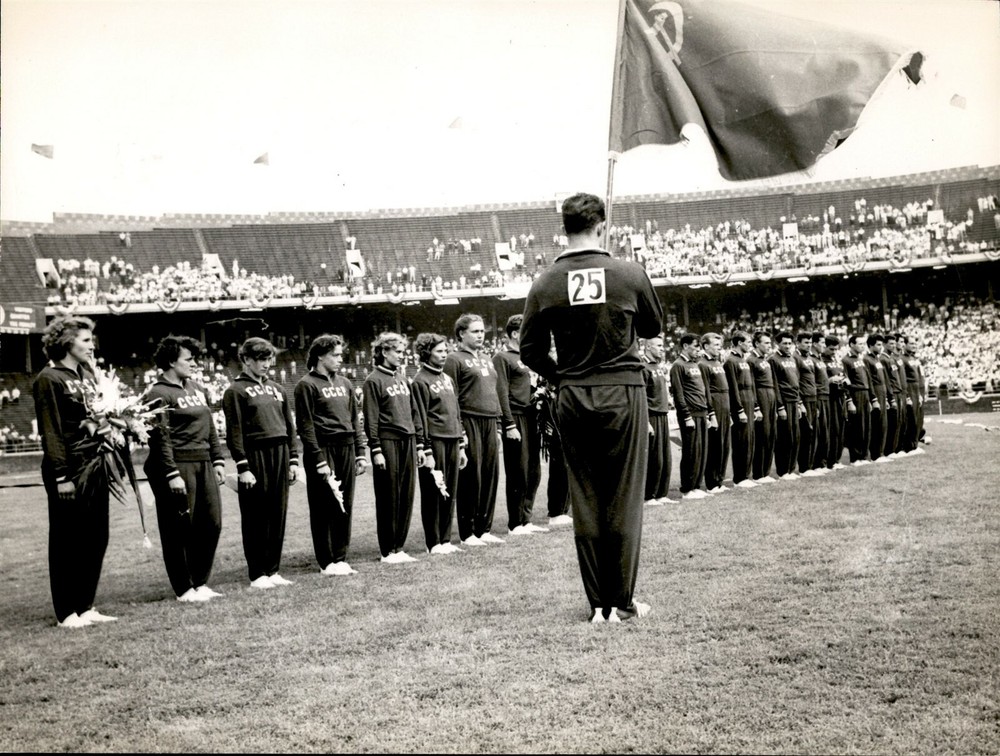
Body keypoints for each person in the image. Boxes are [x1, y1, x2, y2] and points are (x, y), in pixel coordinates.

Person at [520, 191, 662, 623]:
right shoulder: (628, 272)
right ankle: (622, 601)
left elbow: (529, 350)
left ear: (564, 227)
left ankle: (599, 605)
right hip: (622, 389)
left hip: (573, 394)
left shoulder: (544, 282)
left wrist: (562, 375)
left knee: (585, 497)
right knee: (623, 496)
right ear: (602, 224)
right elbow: (654, 326)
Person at [33, 315, 118, 628]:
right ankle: (66, 612)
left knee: (97, 535)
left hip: (95, 463)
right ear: (67, 342)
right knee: (69, 538)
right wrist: (60, 475)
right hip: (68, 468)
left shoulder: (87, 374)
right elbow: (51, 430)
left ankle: (86, 605)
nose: (90, 345)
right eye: (85, 340)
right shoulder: (49, 378)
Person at [144, 335, 226, 603]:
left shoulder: (196, 388)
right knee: (179, 527)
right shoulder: (158, 393)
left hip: (202, 461)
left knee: (211, 523)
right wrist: (171, 473)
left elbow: (210, 427)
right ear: (170, 361)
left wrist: (218, 459)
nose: (194, 363)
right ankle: (183, 587)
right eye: (188, 359)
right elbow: (160, 438)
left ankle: (200, 581)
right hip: (177, 463)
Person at [222, 337, 300, 589]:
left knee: (278, 512)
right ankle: (257, 573)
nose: (266, 364)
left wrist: (293, 459)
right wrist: (243, 466)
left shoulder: (277, 388)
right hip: (255, 455)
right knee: (257, 514)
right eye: (260, 359)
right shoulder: (235, 391)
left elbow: (289, 427)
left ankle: (273, 569)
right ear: (246, 360)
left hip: (280, 452)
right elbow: (234, 433)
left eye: (269, 359)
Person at [295, 334, 368, 577]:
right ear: (320, 356)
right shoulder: (306, 385)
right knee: (323, 504)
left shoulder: (346, 383)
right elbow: (305, 426)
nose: (340, 359)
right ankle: (326, 561)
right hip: (323, 448)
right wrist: (318, 459)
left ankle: (340, 557)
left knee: (344, 502)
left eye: (341, 354)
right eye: (335, 355)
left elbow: (354, 420)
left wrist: (360, 452)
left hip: (346, 446)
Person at [443, 314, 505, 546]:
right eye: (475, 331)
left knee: (490, 475)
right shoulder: (453, 360)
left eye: (482, 331)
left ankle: (484, 529)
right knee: (472, 477)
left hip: (490, 421)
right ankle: (468, 533)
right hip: (469, 421)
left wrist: (498, 426)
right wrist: (460, 431)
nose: (481, 335)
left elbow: (495, 393)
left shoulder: (487, 359)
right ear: (461, 333)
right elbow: (451, 398)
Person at [363, 332, 420, 563]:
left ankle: (399, 547)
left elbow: (413, 412)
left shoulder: (403, 379)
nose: (401, 355)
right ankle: (388, 550)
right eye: (397, 351)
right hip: (387, 441)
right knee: (389, 495)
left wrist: (418, 445)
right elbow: (371, 418)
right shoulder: (373, 380)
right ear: (384, 352)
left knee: (406, 494)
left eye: (402, 351)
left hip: (408, 439)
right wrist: (376, 449)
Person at [411, 332, 468, 555]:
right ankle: (433, 542)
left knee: (450, 491)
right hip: (434, 442)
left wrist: (462, 444)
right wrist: (425, 448)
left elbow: (456, 412)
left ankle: (446, 540)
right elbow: (421, 417)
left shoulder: (448, 379)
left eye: (445, 351)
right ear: (427, 353)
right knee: (434, 491)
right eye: (439, 351)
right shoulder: (420, 380)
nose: (444, 355)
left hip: (453, 440)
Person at [493, 314, 546, 535]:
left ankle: (527, 518)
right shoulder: (502, 357)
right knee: (519, 470)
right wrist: (509, 423)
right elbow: (501, 392)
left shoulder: (529, 356)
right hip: (516, 416)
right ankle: (515, 522)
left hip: (532, 415)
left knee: (534, 470)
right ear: (515, 333)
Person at [671, 333, 714, 500]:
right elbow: (678, 394)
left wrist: (709, 414)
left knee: (701, 451)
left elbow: (702, 390)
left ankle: (696, 485)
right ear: (685, 346)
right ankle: (687, 488)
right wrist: (686, 416)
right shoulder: (678, 365)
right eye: (695, 346)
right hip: (690, 414)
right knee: (691, 452)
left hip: (702, 412)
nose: (698, 350)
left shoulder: (695, 364)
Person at [641, 334, 676, 505]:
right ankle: (649, 496)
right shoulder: (643, 368)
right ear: (648, 347)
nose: (662, 349)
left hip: (663, 415)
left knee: (665, 457)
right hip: (652, 416)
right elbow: (641, 397)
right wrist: (646, 421)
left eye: (663, 346)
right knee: (654, 458)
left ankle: (662, 493)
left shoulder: (660, 367)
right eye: (659, 346)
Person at [724, 331, 760, 489]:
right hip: (741, 404)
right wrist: (739, 409)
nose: (750, 345)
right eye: (748, 342)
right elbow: (733, 387)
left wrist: (756, 406)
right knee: (741, 441)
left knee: (750, 439)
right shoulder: (730, 361)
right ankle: (739, 477)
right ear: (739, 343)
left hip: (750, 402)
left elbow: (751, 385)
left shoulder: (743, 360)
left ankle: (746, 474)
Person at [699, 332, 730, 494]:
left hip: (725, 404)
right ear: (706, 346)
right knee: (715, 445)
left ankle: (720, 479)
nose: (720, 348)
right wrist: (711, 414)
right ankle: (711, 482)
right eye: (716, 345)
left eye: (720, 345)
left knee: (725, 444)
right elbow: (706, 391)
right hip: (715, 404)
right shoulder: (702, 364)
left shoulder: (717, 362)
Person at [769, 331, 801, 481]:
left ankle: (790, 469)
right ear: (778, 344)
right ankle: (783, 471)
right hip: (784, 401)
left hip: (794, 401)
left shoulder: (793, 359)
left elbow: (796, 382)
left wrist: (800, 403)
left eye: (790, 343)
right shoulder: (773, 360)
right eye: (784, 343)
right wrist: (780, 406)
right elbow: (775, 385)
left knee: (795, 436)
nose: (788, 346)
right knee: (785, 436)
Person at [747, 331, 778, 484]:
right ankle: (759, 473)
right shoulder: (751, 360)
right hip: (761, 394)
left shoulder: (765, 360)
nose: (769, 345)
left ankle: (766, 472)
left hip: (771, 394)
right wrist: (756, 406)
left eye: (769, 342)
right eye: (765, 343)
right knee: (763, 434)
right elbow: (751, 384)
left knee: (771, 434)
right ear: (757, 344)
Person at [842, 334, 874, 465]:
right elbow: (845, 383)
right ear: (851, 345)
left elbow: (868, 380)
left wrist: (872, 399)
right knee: (856, 426)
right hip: (856, 394)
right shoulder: (846, 360)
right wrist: (849, 401)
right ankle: (855, 457)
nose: (862, 346)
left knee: (866, 426)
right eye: (860, 343)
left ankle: (864, 455)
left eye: (863, 343)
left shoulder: (860, 360)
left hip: (865, 394)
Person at [794, 332, 822, 477]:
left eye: (810, 342)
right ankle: (804, 467)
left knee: (813, 433)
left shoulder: (809, 358)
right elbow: (796, 382)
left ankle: (810, 466)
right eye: (805, 342)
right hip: (804, 399)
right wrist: (800, 403)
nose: (809, 345)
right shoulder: (795, 358)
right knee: (805, 433)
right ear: (798, 343)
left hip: (813, 399)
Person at [864, 334, 891, 463]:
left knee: (883, 424)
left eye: (881, 345)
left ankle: (881, 452)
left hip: (882, 392)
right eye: (878, 345)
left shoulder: (877, 359)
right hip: (875, 392)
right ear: (870, 345)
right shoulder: (867, 359)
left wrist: (885, 398)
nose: (881, 347)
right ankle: (875, 454)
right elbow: (869, 381)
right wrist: (873, 399)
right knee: (877, 425)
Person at [901, 334, 927, 455]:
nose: (914, 346)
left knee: (917, 418)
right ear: (904, 345)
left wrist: (921, 393)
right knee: (910, 418)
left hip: (917, 390)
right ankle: (909, 446)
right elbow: (904, 379)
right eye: (911, 343)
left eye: (915, 344)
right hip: (909, 389)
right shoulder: (903, 359)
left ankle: (914, 443)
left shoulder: (914, 359)